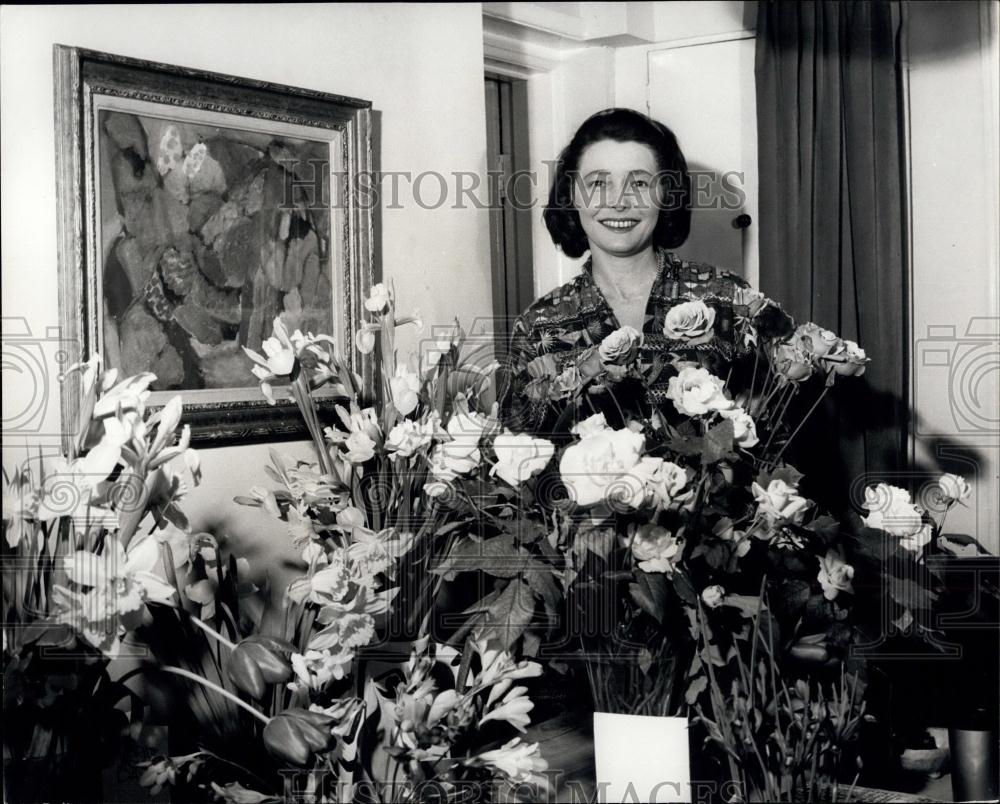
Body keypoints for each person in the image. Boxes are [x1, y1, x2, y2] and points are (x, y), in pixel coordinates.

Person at [501, 107, 755, 436]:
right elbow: (519, 454)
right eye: (598, 183)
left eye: (638, 182)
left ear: (665, 194)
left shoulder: (726, 299)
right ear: (572, 195)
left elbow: (773, 435)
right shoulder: (540, 324)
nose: (619, 202)